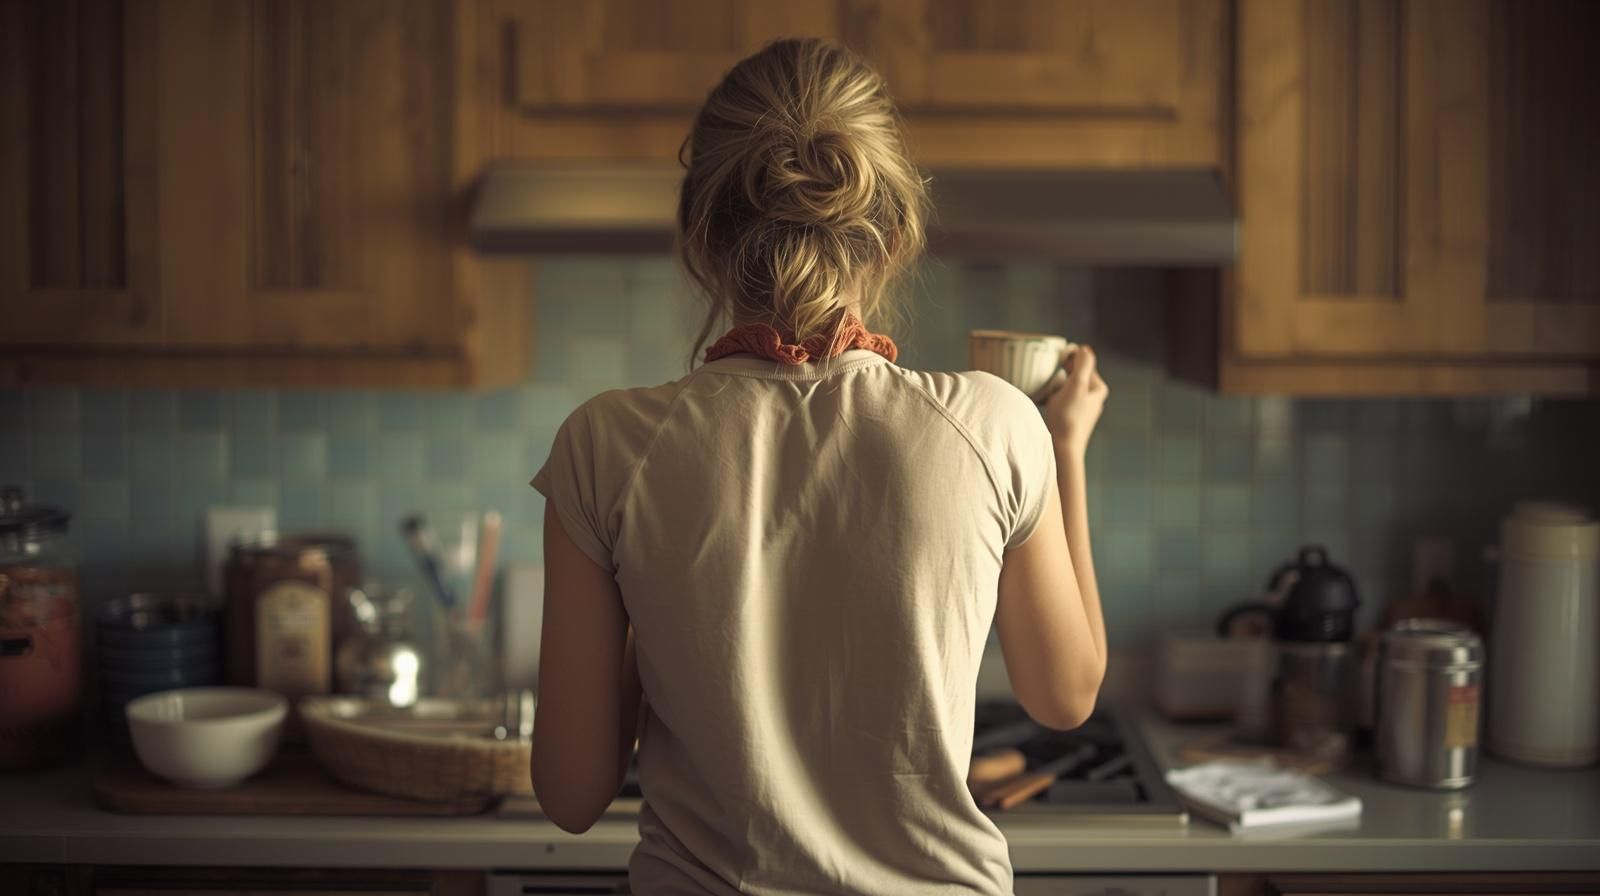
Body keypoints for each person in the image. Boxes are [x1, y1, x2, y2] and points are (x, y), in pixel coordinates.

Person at [530, 37, 1109, 896]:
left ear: (701, 238)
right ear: (898, 236)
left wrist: (654, 600)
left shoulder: (605, 445)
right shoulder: (995, 426)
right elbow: (1066, 696)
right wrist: (1063, 450)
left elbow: (572, 796)